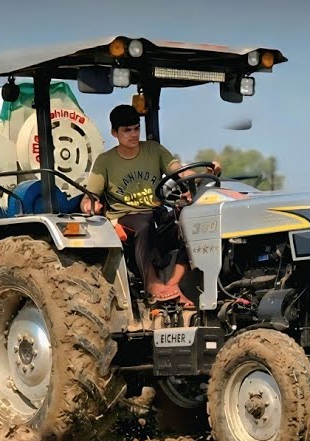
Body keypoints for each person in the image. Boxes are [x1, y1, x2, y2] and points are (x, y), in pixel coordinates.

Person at [82, 104, 222, 308]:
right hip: (125, 216)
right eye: (127, 130)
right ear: (114, 133)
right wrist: (89, 205)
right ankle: (153, 285)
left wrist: (207, 173)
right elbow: (89, 197)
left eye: (136, 128)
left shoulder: (154, 150)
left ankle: (174, 285)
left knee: (191, 225)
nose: (133, 134)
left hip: (155, 212)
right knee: (144, 224)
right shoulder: (105, 161)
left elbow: (180, 172)